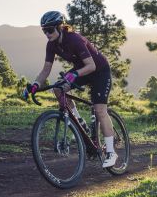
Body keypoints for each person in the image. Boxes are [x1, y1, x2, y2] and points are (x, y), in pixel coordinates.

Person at [23, 10, 118, 168]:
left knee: (100, 109)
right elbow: (46, 69)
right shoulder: (51, 44)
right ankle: (79, 121)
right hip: (82, 69)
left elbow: (92, 65)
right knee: (59, 89)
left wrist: (74, 74)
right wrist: (35, 85)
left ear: (60, 27)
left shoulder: (74, 39)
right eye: (44, 30)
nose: (47, 33)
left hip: (99, 70)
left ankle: (111, 152)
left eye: (50, 29)